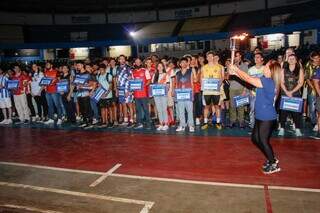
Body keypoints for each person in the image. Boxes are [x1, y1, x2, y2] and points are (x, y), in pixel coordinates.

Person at [229, 61, 280, 174]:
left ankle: (273, 163)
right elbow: (249, 78)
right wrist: (235, 73)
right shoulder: (264, 79)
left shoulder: (268, 81)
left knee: (262, 140)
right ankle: (271, 158)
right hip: (261, 114)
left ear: (271, 70)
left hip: (267, 116)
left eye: (266, 66)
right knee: (255, 139)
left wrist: (236, 70)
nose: (264, 67)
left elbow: (248, 79)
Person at [278, 54, 304, 137]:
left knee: (296, 113)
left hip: (295, 94)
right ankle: (282, 128)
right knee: (283, 112)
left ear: (296, 60)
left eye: (293, 58)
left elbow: (300, 83)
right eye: (290, 58)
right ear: (287, 60)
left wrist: (292, 92)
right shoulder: (283, 70)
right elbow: (281, 82)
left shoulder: (300, 70)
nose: (291, 60)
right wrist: (286, 91)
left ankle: (297, 129)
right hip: (285, 93)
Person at [201, 51, 224, 130]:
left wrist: (218, 85)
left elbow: (221, 78)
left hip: (215, 91)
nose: (210, 58)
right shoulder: (204, 67)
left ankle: (218, 122)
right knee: (206, 107)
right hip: (206, 90)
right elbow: (201, 78)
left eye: (211, 56)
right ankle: (205, 122)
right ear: (206, 58)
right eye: (208, 56)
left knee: (217, 106)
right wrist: (204, 86)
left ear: (213, 57)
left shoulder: (218, 67)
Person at [228, 51, 248, 128]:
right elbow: (229, 78)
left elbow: (247, 79)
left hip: (241, 88)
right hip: (232, 88)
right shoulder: (231, 66)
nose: (237, 57)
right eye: (235, 56)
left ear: (241, 57)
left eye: (238, 56)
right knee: (232, 106)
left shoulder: (245, 66)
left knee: (240, 105)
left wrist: (245, 90)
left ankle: (241, 121)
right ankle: (232, 121)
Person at [175, 57, 195, 132]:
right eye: (182, 62)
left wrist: (192, 94)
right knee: (181, 111)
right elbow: (176, 85)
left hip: (188, 94)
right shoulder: (177, 73)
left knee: (189, 110)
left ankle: (191, 125)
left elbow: (192, 83)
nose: (183, 64)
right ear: (180, 64)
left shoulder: (190, 72)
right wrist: (176, 94)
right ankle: (182, 125)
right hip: (180, 94)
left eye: (185, 62)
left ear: (187, 63)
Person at [131, 57, 152, 129]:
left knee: (146, 109)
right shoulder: (133, 72)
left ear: (141, 63)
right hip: (136, 94)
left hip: (143, 93)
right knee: (137, 109)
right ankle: (139, 123)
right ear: (134, 63)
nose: (137, 63)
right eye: (136, 62)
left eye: (139, 62)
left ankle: (148, 123)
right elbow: (132, 82)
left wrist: (143, 85)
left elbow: (149, 81)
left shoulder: (145, 71)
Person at [247, 53, 265, 128]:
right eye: (255, 57)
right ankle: (252, 125)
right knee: (252, 110)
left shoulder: (265, 68)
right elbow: (247, 81)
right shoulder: (250, 70)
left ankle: (262, 125)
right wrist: (250, 90)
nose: (256, 59)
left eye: (258, 57)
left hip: (263, 94)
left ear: (262, 59)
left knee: (263, 110)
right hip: (253, 93)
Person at [116, 55, 134, 127]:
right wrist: (117, 90)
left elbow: (130, 79)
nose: (122, 60)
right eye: (120, 59)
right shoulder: (117, 68)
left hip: (127, 89)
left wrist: (128, 90)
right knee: (123, 104)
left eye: (123, 59)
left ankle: (131, 120)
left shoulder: (128, 68)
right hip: (120, 89)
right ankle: (125, 120)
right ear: (119, 60)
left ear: (125, 60)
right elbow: (117, 80)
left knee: (129, 104)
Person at [153, 62, 169, 131]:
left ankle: (166, 124)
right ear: (157, 67)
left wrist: (164, 89)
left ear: (163, 67)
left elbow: (168, 85)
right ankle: (161, 123)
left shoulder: (166, 75)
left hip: (163, 94)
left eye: (161, 66)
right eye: (158, 66)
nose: (159, 67)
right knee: (159, 110)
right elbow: (153, 86)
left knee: (164, 109)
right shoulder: (154, 75)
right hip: (156, 95)